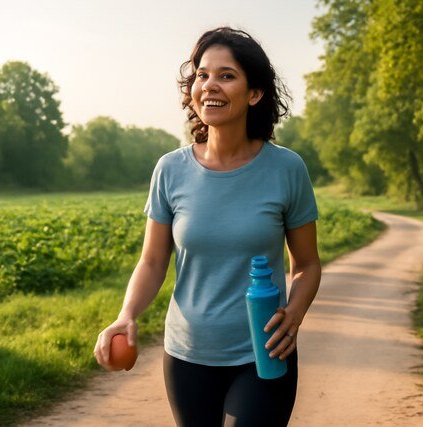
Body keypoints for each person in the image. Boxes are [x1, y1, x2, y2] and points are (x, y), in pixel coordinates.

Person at [93, 27, 321, 427]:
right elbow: (151, 261)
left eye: (226, 75)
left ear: (254, 93)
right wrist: (127, 314)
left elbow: (306, 263)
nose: (210, 85)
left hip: (263, 352)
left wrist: (295, 313)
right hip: (187, 355)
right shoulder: (170, 170)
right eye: (202, 75)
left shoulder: (287, 169)